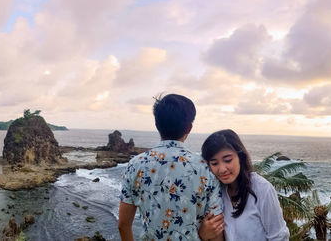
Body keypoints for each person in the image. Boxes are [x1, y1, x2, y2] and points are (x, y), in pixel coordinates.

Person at [119, 94, 224, 241]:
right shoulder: (205, 168)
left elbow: (123, 225)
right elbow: (216, 228)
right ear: (189, 127)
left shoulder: (135, 165)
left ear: (157, 124)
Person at [199, 129, 290, 241]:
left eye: (227, 160)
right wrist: (203, 235)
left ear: (240, 157)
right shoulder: (214, 194)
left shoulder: (262, 189)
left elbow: (279, 237)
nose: (222, 169)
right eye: (214, 163)